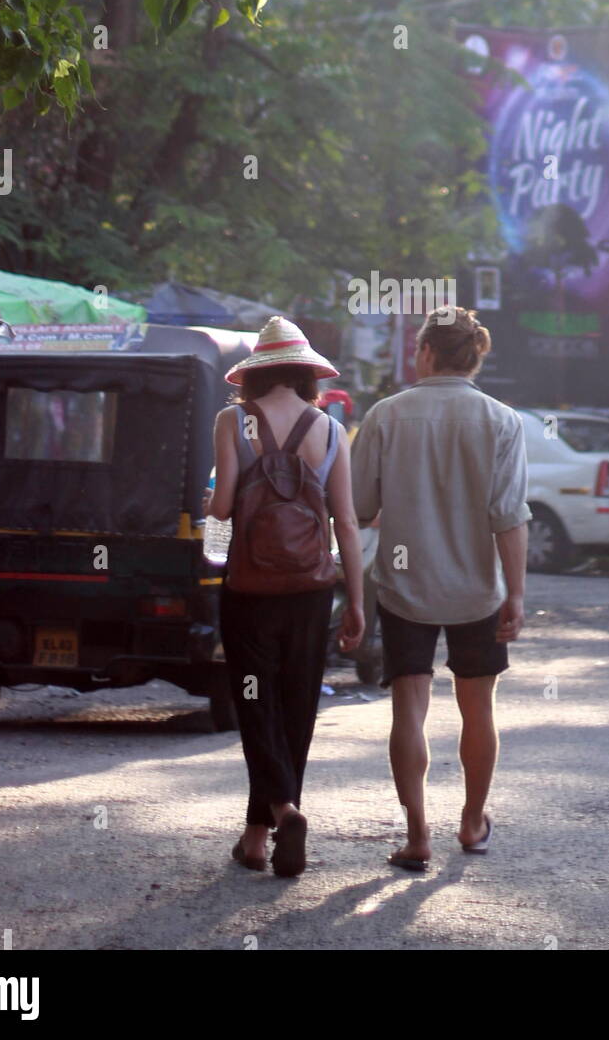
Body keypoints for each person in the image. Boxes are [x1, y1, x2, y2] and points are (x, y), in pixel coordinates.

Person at [350, 306, 529, 870]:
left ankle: (417, 836)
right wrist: (517, 595)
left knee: (410, 706)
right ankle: (473, 822)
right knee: (479, 709)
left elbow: (359, 508)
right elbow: (510, 517)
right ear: (474, 356)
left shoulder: (386, 415)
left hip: (405, 586)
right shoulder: (502, 420)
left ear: (424, 352)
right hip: (479, 587)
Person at [206, 316, 365, 877]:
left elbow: (223, 507)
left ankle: (279, 810)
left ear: (252, 375)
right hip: (311, 589)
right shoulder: (329, 428)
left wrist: (211, 527)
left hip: (248, 586)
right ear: (305, 374)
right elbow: (345, 523)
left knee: (255, 701)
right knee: (297, 706)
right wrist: (359, 604)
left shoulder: (233, 419)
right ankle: (259, 837)